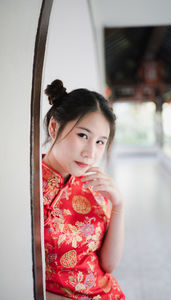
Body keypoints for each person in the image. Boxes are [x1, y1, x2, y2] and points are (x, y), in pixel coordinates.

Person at [42, 79, 125, 300]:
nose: (91, 152)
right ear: (54, 127)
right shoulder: (26, 185)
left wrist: (118, 205)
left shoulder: (94, 187)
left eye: (100, 142)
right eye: (83, 136)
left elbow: (109, 265)